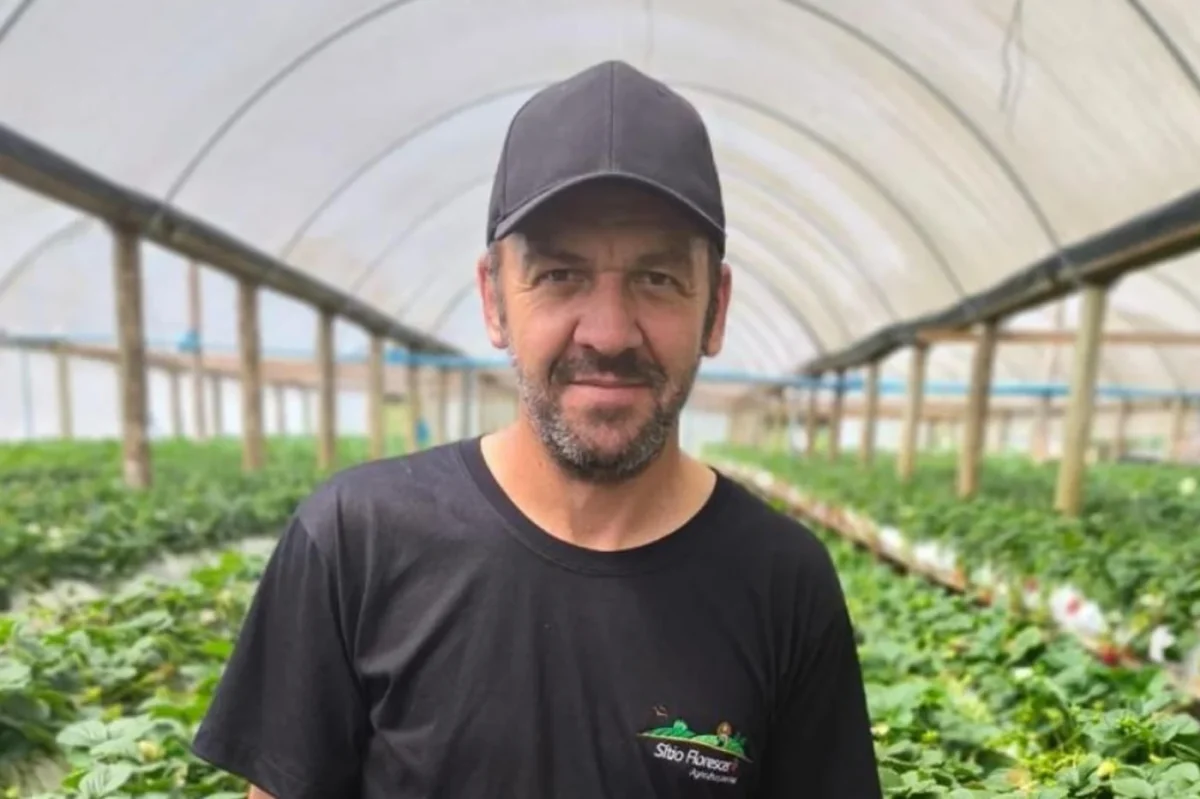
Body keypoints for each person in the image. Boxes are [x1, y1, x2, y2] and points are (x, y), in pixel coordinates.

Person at [191, 59, 881, 799]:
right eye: (559, 276)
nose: (609, 333)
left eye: (657, 279)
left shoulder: (783, 581)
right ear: (494, 299)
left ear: (715, 309)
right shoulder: (354, 542)